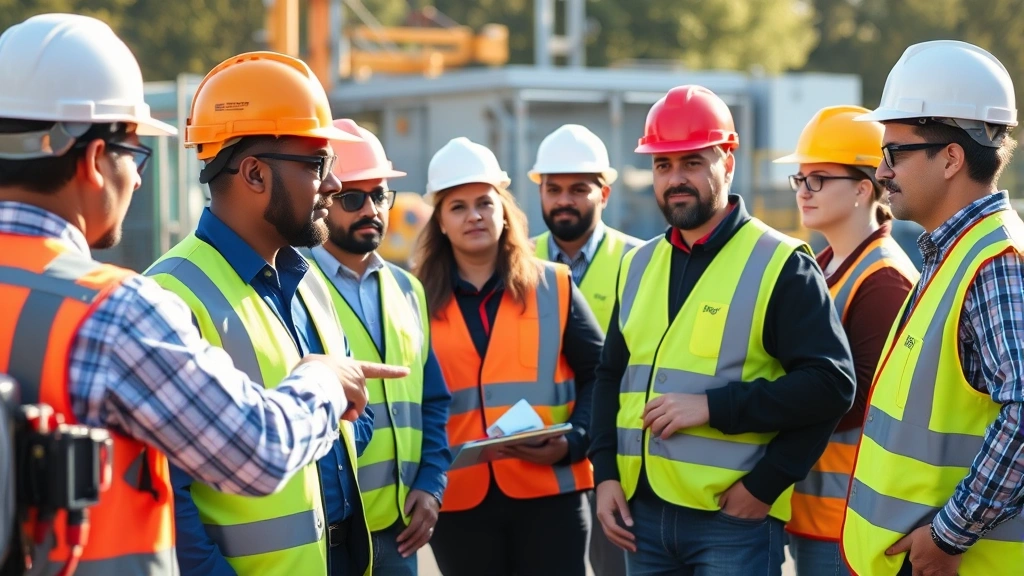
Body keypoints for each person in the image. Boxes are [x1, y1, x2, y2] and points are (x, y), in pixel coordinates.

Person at [0, 14, 404, 576]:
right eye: (133, 154)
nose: (138, 179)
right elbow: (255, 454)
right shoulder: (120, 311)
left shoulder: (306, 278)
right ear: (95, 161)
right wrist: (321, 381)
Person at [588, 84, 857, 576]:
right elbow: (611, 378)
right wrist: (604, 474)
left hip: (731, 521)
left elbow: (831, 385)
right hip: (640, 516)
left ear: (727, 162)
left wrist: (763, 482)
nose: (675, 179)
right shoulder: (638, 264)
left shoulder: (780, 263)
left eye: (692, 162)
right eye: (663, 165)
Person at [145, 52, 381, 576]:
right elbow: (169, 497)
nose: (335, 185)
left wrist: (350, 411)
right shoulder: (170, 294)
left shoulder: (310, 282)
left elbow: (352, 424)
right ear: (253, 173)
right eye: (319, 165)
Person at [841, 40, 1024, 576]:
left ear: (951, 157)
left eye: (894, 151)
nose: (882, 170)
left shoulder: (995, 262)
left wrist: (948, 536)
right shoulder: (957, 252)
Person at [412, 137, 605, 576]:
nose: (474, 215)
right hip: (458, 497)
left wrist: (575, 441)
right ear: (440, 221)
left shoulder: (555, 285)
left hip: (550, 494)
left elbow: (601, 375)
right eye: (457, 206)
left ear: (504, 211)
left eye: (484, 202)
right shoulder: (414, 300)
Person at [773, 105, 919, 575]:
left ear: (862, 188)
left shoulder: (883, 279)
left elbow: (856, 402)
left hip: (849, 520)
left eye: (818, 178)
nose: (804, 191)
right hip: (816, 511)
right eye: (800, 178)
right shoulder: (826, 264)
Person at [309, 119, 452, 575]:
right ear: (323, 199)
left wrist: (431, 484)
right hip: (329, 534)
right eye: (353, 198)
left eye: (379, 195)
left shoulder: (409, 289)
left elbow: (432, 401)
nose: (371, 209)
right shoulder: (294, 289)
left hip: (398, 530)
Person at [529, 122, 642, 576]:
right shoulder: (519, 262)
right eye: (553, 188)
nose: (563, 200)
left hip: (619, 456)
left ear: (605, 193)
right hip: (539, 453)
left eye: (578, 189)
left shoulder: (640, 262)